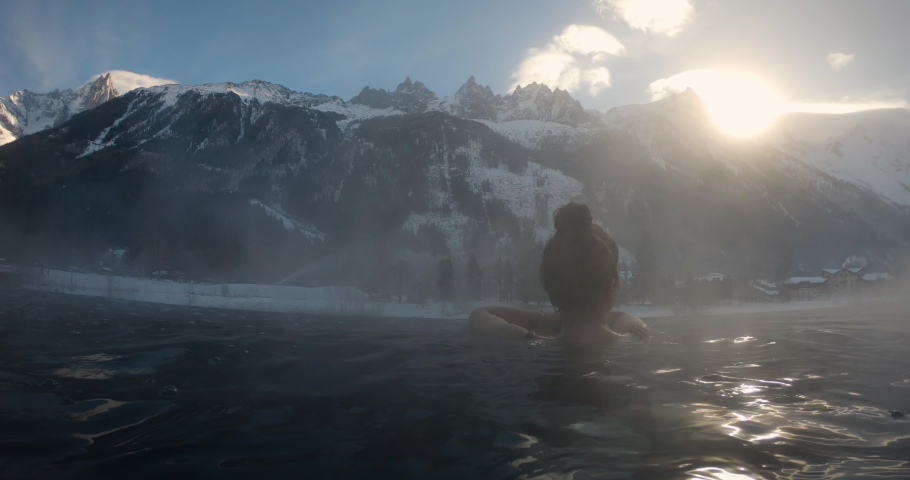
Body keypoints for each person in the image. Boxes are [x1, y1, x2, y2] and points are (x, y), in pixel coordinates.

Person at [469, 202, 650, 348]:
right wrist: (577, 315)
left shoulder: (532, 342)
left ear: (549, 285)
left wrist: (564, 316)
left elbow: (480, 314)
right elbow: (622, 318)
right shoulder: (635, 340)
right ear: (611, 288)